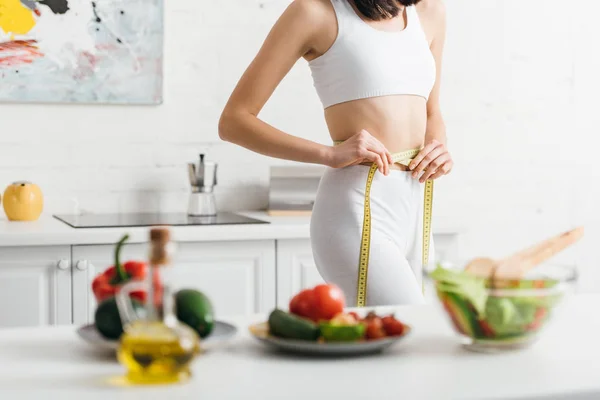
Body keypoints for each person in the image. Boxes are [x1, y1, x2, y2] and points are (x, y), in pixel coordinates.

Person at [219, 0, 453, 306]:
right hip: (356, 209)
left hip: (416, 209)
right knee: (410, 331)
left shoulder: (429, 11)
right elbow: (234, 121)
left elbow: (432, 111)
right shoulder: (313, 12)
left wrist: (439, 148)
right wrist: (328, 154)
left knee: (416, 339)